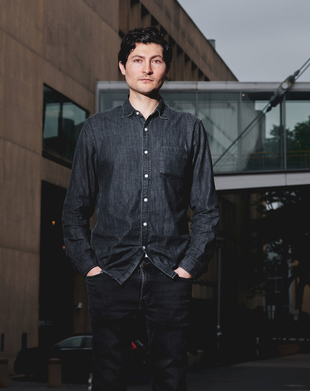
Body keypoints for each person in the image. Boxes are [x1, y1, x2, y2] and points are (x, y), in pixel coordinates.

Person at [62, 27, 220, 391]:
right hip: (111, 275)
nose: (146, 68)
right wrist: (90, 267)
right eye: (137, 60)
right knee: (108, 376)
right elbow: (74, 209)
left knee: (170, 377)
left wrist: (188, 268)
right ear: (122, 67)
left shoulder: (189, 130)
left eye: (156, 60)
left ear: (166, 68)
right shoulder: (96, 130)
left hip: (170, 275)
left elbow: (207, 209)